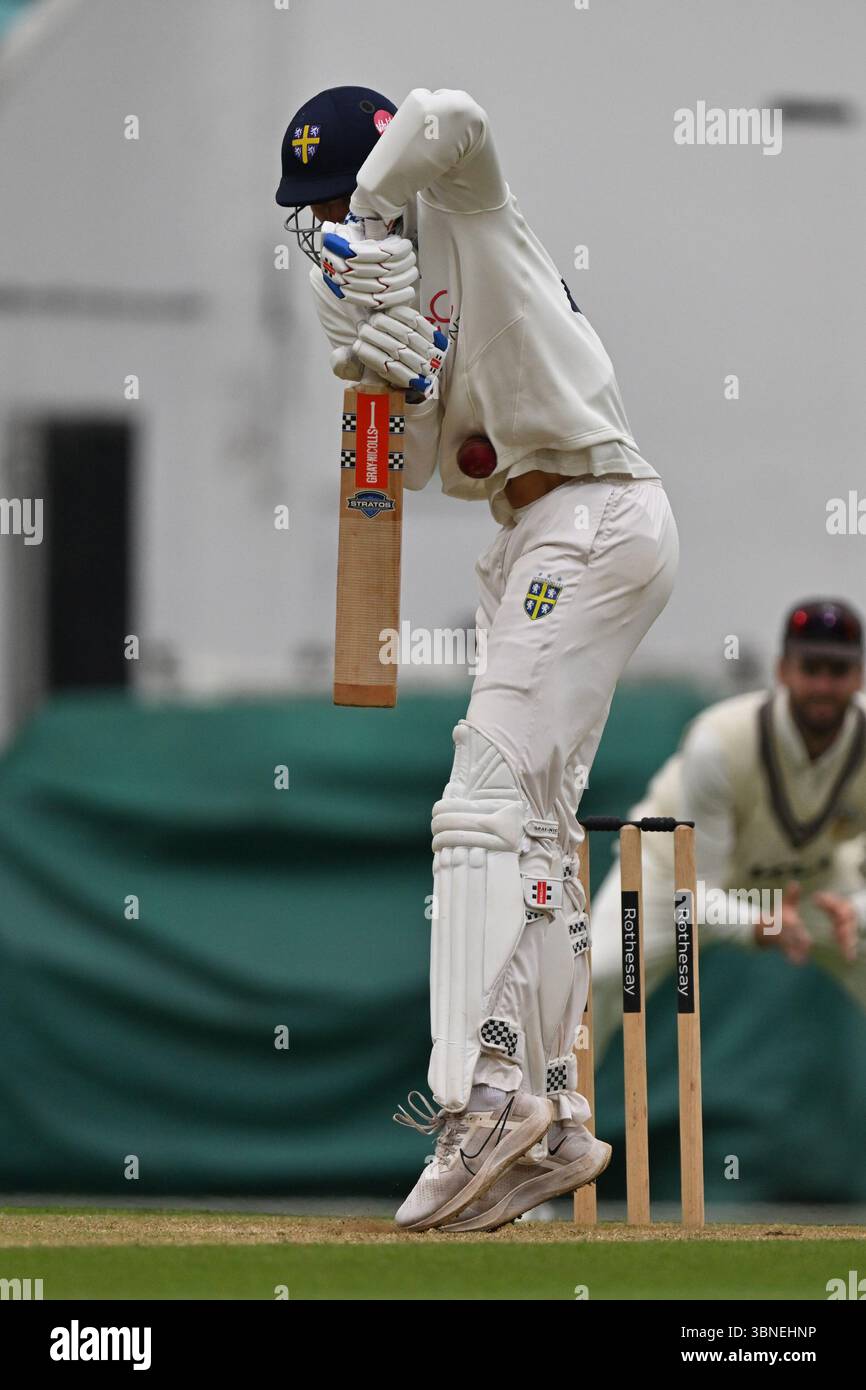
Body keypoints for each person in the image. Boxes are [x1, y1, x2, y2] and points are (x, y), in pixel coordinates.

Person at [277, 85, 679, 1231]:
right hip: (523, 540)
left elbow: (450, 109)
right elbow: (404, 468)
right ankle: (554, 1115)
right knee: (539, 834)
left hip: (594, 510)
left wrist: (372, 205)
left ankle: (481, 1097)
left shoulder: (465, 198)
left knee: (478, 806)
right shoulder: (358, 284)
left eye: (331, 200)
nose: (323, 228)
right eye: (310, 212)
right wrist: (389, 373)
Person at [587, 599, 866, 1065]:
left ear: (857, 676)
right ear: (782, 669)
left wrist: (855, 909)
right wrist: (763, 923)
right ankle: (547, 1123)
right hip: (671, 876)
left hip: (805, 886)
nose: (823, 685)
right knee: (600, 975)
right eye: (810, 667)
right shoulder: (718, 741)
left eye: (837, 670)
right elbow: (697, 891)